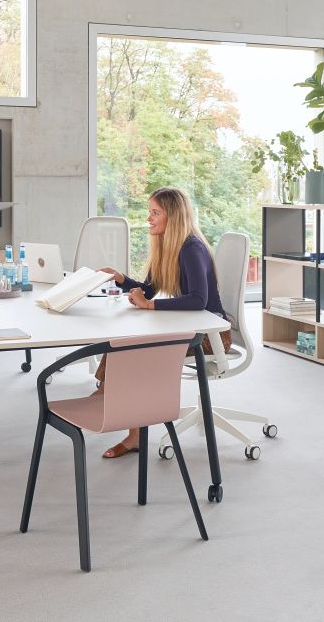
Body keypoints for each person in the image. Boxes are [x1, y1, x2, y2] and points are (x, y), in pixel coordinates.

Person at [96, 187, 226, 459]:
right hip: (191, 328)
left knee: (133, 349)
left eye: (155, 213)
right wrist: (119, 278)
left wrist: (149, 305)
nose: (149, 218)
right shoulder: (169, 246)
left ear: (173, 216)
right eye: (149, 212)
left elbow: (198, 300)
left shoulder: (191, 248)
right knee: (125, 343)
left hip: (211, 336)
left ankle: (114, 407)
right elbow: (149, 290)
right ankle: (112, 401)